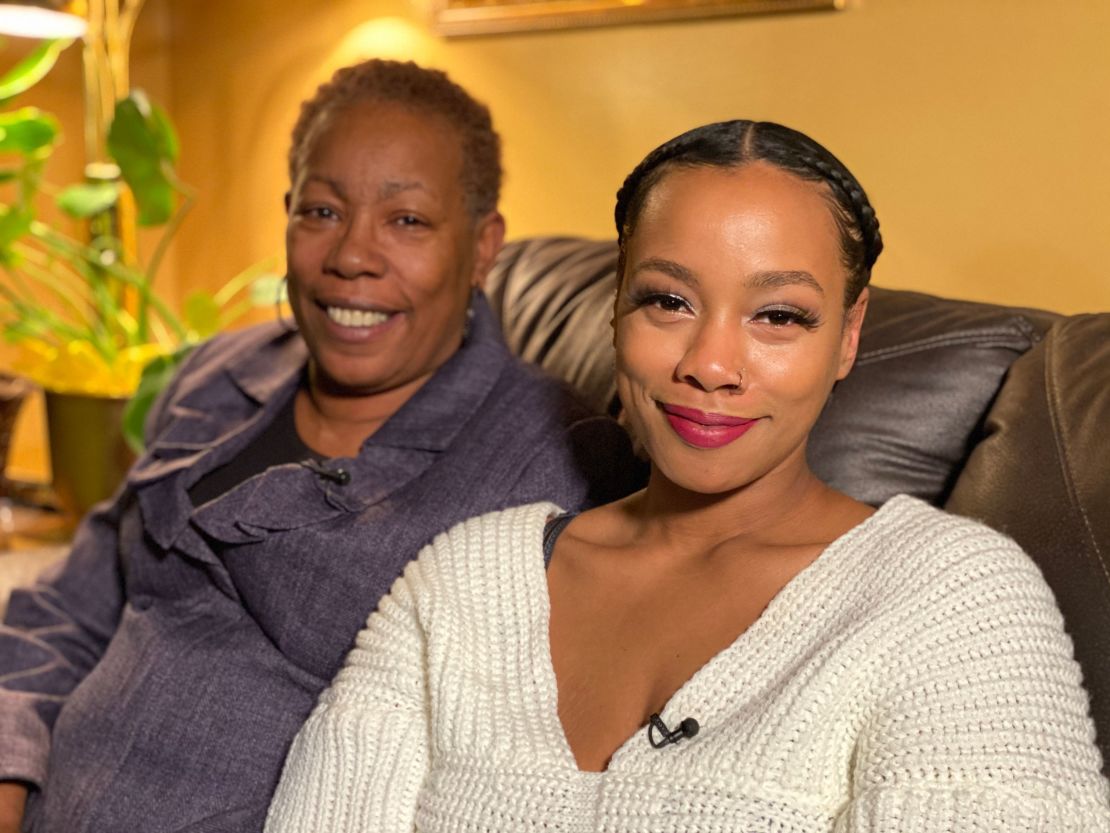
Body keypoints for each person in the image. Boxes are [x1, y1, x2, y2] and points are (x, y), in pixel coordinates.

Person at [265, 120, 1110, 832]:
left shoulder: (952, 600)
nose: (710, 364)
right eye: (668, 301)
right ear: (616, 310)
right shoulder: (463, 583)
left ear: (847, 336)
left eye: (778, 316)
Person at [0, 59, 638, 833]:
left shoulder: (552, 465)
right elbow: (68, 606)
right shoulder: (217, 372)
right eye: (321, 211)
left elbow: (504, 775)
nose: (352, 257)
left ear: (482, 247)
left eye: (407, 220)